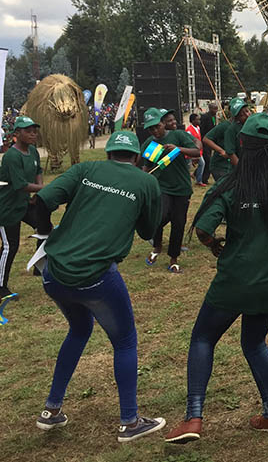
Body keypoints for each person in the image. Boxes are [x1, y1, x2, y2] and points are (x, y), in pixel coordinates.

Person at [164, 115, 268, 443]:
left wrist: (214, 245)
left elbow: (202, 229)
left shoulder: (228, 186)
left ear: (242, 144)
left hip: (235, 278)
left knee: (202, 338)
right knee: (254, 343)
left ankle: (194, 418)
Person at [34, 131, 164, 442]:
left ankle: (52, 410)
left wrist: (45, 233)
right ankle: (130, 423)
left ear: (109, 154)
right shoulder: (147, 182)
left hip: (55, 272)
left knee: (79, 330)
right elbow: (149, 230)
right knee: (125, 341)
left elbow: (41, 200)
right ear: (135, 157)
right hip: (94, 277)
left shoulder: (85, 170)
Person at [139, 108, 201, 273]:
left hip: (182, 188)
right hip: (163, 188)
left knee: (178, 223)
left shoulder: (178, 136)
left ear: (163, 123)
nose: (155, 131)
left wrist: (178, 149)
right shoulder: (151, 145)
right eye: (151, 129)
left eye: (157, 126)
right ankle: (157, 247)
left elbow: (196, 151)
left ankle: (173, 259)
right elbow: (146, 167)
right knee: (160, 217)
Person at [0, 116, 49, 301]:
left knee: (46, 230)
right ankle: (0, 287)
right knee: (9, 247)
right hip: (7, 207)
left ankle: (40, 267)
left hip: (25, 203)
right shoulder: (12, 156)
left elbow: (38, 173)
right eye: (28, 131)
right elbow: (20, 185)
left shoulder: (33, 152)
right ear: (17, 134)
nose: (33, 134)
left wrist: (39, 192)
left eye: (34, 130)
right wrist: (44, 189)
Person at [225, 98, 253, 167]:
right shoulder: (232, 130)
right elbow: (231, 153)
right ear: (236, 118)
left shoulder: (253, 125)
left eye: (247, 111)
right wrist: (241, 170)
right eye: (242, 115)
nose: (247, 115)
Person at [202, 118, 231, 182]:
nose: (247, 114)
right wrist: (221, 151)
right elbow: (206, 139)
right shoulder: (224, 126)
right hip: (221, 166)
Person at [199, 102, 219, 185]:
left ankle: (196, 173)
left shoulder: (213, 117)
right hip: (205, 141)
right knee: (208, 161)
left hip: (211, 141)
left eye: (217, 109)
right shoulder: (205, 117)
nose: (216, 111)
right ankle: (204, 179)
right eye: (214, 109)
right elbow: (202, 129)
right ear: (210, 109)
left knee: (207, 160)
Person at [186, 113, 206, 187]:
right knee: (187, 168)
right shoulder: (189, 130)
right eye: (197, 119)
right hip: (191, 152)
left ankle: (198, 180)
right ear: (193, 121)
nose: (199, 121)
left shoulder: (198, 128)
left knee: (202, 163)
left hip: (198, 151)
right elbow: (188, 142)